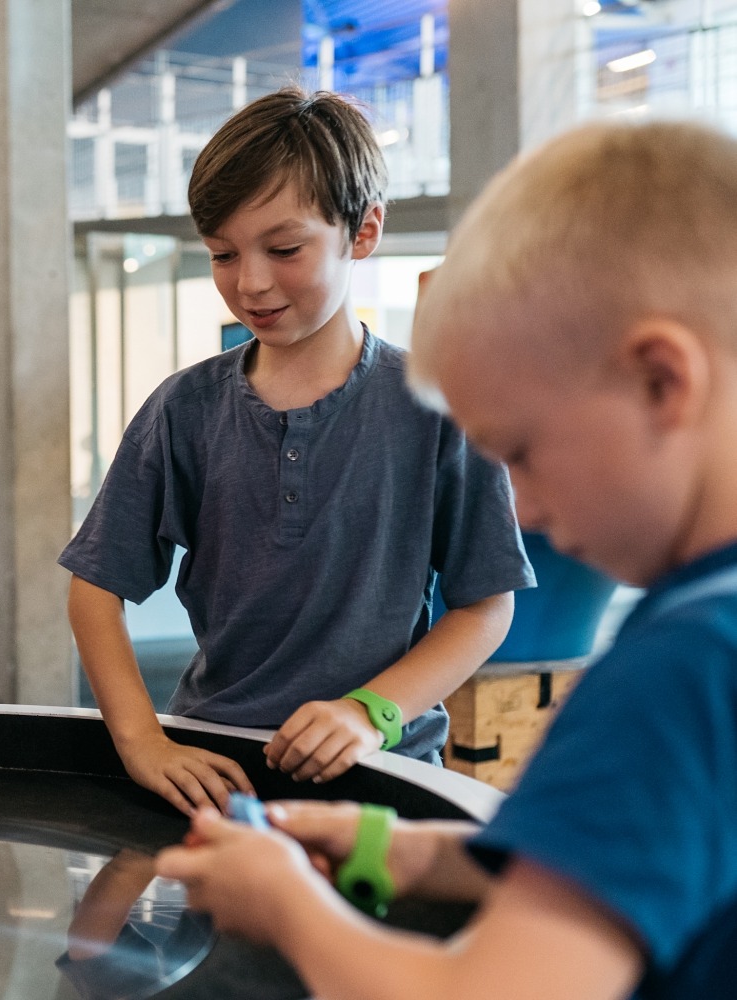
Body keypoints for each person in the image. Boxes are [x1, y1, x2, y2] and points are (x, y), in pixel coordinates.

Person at [154, 118, 737, 1000]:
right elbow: (630, 854)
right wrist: (403, 850)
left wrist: (286, 903)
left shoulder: (682, 670)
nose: (528, 508)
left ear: (662, 381)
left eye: (526, 452)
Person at [58, 87, 533, 814]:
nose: (250, 282)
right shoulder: (183, 409)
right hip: (219, 775)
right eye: (222, 254)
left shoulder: (438, 406)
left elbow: (485, 606)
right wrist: (141, 739)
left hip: (386, 776)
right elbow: (95, 588)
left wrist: (369, 714)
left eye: (284, 249)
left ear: (363, 231)